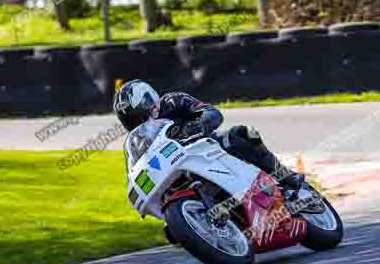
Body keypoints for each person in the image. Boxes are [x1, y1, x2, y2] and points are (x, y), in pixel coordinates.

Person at [113, 79, 304, 191]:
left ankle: (284, 176)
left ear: (150, 101)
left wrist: (196, 125)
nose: (137, 122)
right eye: (130, 121)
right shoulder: (139, 139)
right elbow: (137, 166)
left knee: (243, 134)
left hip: (207, 146)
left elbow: (211, 112)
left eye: (138, 115)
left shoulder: (173, 101)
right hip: (174, 166)